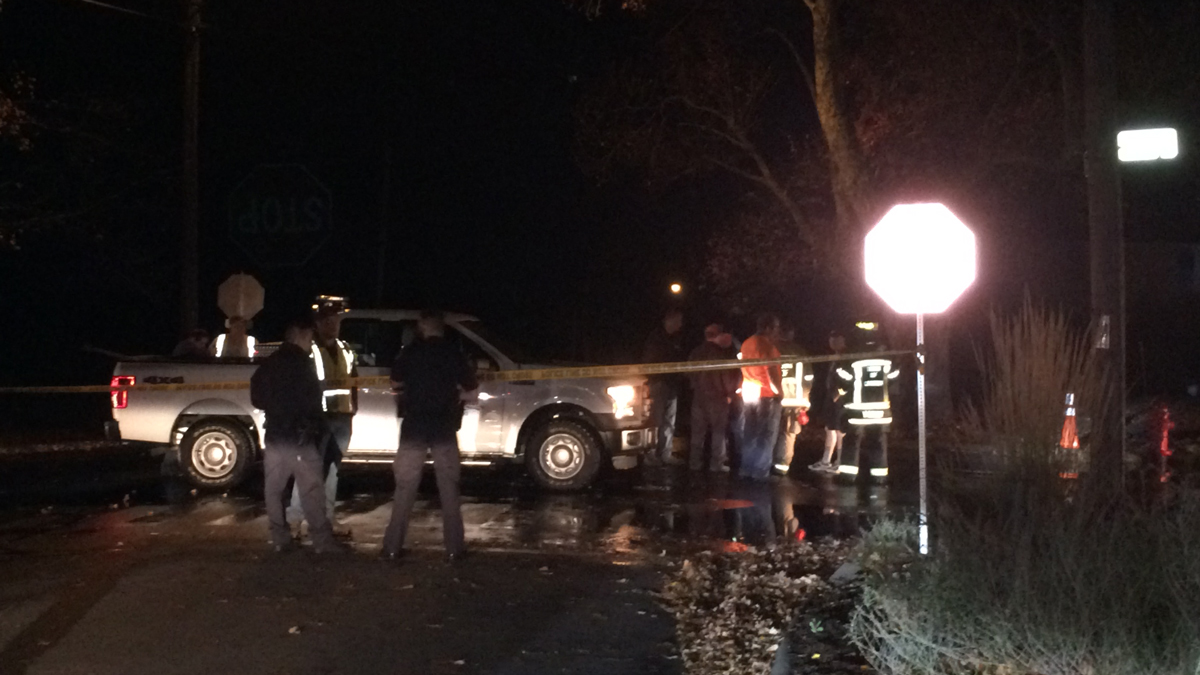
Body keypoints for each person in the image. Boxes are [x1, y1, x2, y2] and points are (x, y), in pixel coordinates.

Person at [382, 310, 479, 563]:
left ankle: (392, 547)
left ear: (423, 328)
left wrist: (408, 394)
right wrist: (455, 395)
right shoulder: (453, 353)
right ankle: (454, 549)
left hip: (414, 428)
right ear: (441, 328)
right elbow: (472, 390)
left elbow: (394, 382)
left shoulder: (410, 352)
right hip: (444, 429)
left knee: (404, 489)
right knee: (449, 489)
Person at [249, 316, 344, 554]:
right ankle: (322, 542)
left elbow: (256, 397)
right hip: (299, 438)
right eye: (309, 337)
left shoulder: (270, 363)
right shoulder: (302, 364)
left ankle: (280, 539)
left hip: (274, 436)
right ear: (300, 336)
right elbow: (312, 402)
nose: (311, 342)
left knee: (274, 490)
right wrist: (317, 428)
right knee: (311, 490)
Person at [288, 296, 357, 537]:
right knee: (308, 470)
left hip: (342, 418)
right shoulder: (310, 350)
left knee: (332, 472)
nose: (333, 325)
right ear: (317, 324)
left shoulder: (346, 350)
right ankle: (295, 520)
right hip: (318, 420)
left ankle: (326, 519)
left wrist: (353, 409)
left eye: (335, 320)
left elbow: (353, 381)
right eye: (327, 321)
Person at [687, 324, 740, 473]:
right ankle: (716, 464)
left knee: (697, 432)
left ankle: (694, 463)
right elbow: (728, 374)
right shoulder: (722, 352)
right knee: (718, 431)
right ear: (718, 335)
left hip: (699, 396)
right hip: (718, 397)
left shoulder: (696, 352)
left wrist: (695, 387)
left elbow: (688, 373)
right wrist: (730, 393)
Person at [738, 314, 783, 480]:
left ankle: (746, 468)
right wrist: (779, 392)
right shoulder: (767, 346)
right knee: (766, 434)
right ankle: (760, 471)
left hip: (748, 392)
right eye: (776, 328)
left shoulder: (747, 343)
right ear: (768, 328)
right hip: (765, 395)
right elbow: (771, 373)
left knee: (749, 432)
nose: (777, 331)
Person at [642, 308, 685, 466]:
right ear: (670, 321)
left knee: (668, 421)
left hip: (672, 384)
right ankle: (650, 453)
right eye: (679, 321)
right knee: (655, 420)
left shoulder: (675, 339)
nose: (681, 324)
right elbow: (651, 361)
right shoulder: (656, 338)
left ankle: (665, 453)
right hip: (659, 384)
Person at [809, 331, 849, 474]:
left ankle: (840, 462)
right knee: (830, 428)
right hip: (831, 397)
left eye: (835, 338)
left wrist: (839, 394)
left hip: (840, 399)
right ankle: (826, 460)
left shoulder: (846, 356)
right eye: (830, 338)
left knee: (840, 430)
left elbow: (847, 379)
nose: (831, 341)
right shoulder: (835, 356)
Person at [773, 325, 807, 476]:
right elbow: (808, 378)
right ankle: (782, 466)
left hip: (774, 398)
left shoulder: (772, 349)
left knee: (770, 431)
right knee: (788, 433)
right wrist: (805, 398)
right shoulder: (799, 352)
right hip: (794, 400)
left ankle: (767, 462)